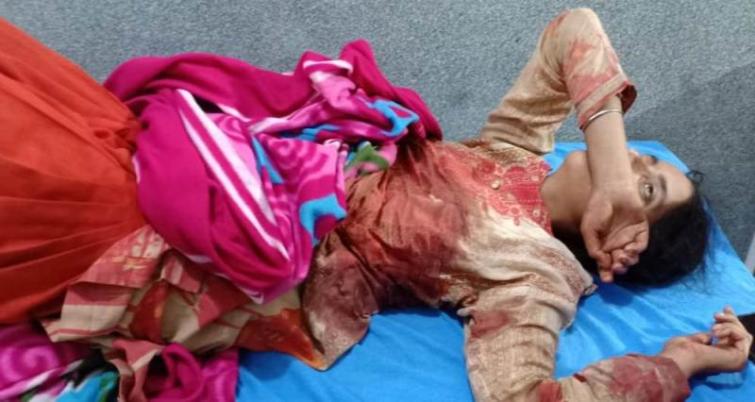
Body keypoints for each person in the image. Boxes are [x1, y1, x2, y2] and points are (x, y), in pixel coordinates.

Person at [0, 8, 751, 402]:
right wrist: (616, 164)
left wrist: (677, 362)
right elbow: (574, 27)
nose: (635, 164)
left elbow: (528, 397)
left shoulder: (535, 279)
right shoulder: (515, 147)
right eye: (646, 160)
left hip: (202, 249)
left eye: (647, 189)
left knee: (45, 167)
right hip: (225, 159)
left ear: (619, 247)